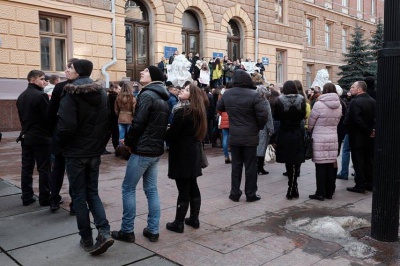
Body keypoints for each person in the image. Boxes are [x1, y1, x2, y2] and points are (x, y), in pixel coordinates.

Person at [57, 59, 114, 255]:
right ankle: (105, 232)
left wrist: (60, 144)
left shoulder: (70, 92)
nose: (66, 70)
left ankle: (87, 239)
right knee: (93, 192)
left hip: (75, 152)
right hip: (93, 151)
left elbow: (66, 126)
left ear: (78, 71)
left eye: (69, 67)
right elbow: (107, 121)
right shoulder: (101, 92)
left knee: (79, 196)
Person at [111, 66, 169, 243]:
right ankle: (153, 230)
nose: (141, 73)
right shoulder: (163, 97)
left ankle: (127, 230)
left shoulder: (147, 95)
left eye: (145, 71)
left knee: (128, 188)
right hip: (156, 150)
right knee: (151, 190)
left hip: (143, 150)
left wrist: (127, 142)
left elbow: (137, 124)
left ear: (153, 77)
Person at [217, 69, 269, 202]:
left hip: (235, 135)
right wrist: (257, 127)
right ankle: (250, 194)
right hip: (250, 136)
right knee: (251, 167)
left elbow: (220, 107)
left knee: (236, 166)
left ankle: (235, 193)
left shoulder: (228, 94)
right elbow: (263, 115)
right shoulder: (254, 95)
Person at [165, 83, 208, 233]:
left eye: (187, 89)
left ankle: (178, 223)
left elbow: (172, 135)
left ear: (193, 96)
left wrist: (167, 130)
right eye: (183, 88)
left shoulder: (183, 111)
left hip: (182, 154)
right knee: (192, 185)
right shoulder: (198, 111)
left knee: (183, 188)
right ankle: (194, 219)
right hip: (193, 153)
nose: (183, 90)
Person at [46, 58, 79, 213]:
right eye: (66, 68)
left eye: (69, 68)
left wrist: (54, 131)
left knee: (60, 169)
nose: (66, 70)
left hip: (61, 135)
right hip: (70, 137)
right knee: (67, 171)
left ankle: (56, 201)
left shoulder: (61, 87)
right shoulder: (62, 86)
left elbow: (51, 114)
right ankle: (68, 203)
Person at [16, 70, 51, 206]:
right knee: (44, 168)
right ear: (32, 80)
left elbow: (22, 118)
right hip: (40, 137)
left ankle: (26, 197)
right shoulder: (40, 96)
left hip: (26, 136)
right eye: (41, 79)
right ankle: (44, 198)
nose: (44, 81)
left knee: (27, 168)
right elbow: (47, 118)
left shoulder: (21, 96)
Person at [307, 83, 342, 201]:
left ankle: (320, 193)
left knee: (320, 166)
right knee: (330, 165)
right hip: (333, 136)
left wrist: (309, 129)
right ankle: (329, 192)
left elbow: (311, 123)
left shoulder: (318, 104)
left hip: (319, 138)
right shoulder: (339, 105)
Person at [274, 80, 306, 200]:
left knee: (289, 160)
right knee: (296, 159)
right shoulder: (302, 99)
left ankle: (291, 187)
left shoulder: (279, 100)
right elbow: (303, 115)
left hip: (285, 132)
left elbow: (276, 116)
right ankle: (294, 186)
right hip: (297, 132)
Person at [344, 81, 375, 193]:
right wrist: (372, 130)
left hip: (357, 137)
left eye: (353, 87)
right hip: (369, 137)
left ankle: (360, 185)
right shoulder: (372, 101)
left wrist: (368, 130)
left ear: (360, 89)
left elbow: (356, 119)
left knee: (358, 161)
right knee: (368, 160)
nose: (350, 89)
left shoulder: (355, 102)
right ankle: (369, 183)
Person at [255, 83, 274, 175]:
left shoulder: (253, 100)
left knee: (255, 146)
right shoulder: (265, 102)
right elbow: (269, 117)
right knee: (262, 147)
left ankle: (255, 166)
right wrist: (271, 129)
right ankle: (260, 167)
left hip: (254, 127)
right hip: (263, 128)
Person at [217, 85, 231, 163]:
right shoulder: (232, 94)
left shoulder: (222, 95)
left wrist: (222, 114)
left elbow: (218, 107)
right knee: (233, 137)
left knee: (225, 137)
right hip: (232, 117)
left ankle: (226, 156)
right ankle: (234, 155)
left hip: (223, 117)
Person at [107, 82, 120, 151]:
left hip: (109, 117)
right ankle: (117, 148)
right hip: (115, 117)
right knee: (116, 133)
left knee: (112, 133)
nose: (119, 90)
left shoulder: (108, 96)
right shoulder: (115, 97)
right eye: (119, 89)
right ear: (114, 89)